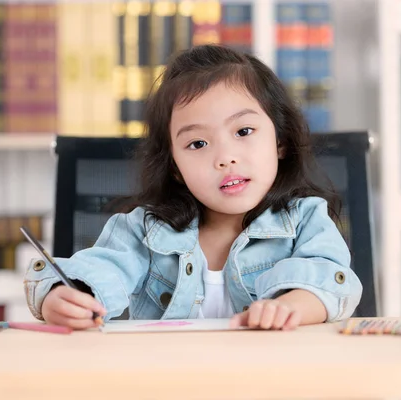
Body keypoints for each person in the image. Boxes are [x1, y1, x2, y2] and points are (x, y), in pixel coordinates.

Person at [23, 44, 362, 331]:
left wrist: (294, 305)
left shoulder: (305, 219)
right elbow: (101, 269)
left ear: (280, 141)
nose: (225, 158)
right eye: (198, 143)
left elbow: (329, 278)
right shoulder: (144, 231)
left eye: (243, 132)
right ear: (175, 168)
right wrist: (66, 295)